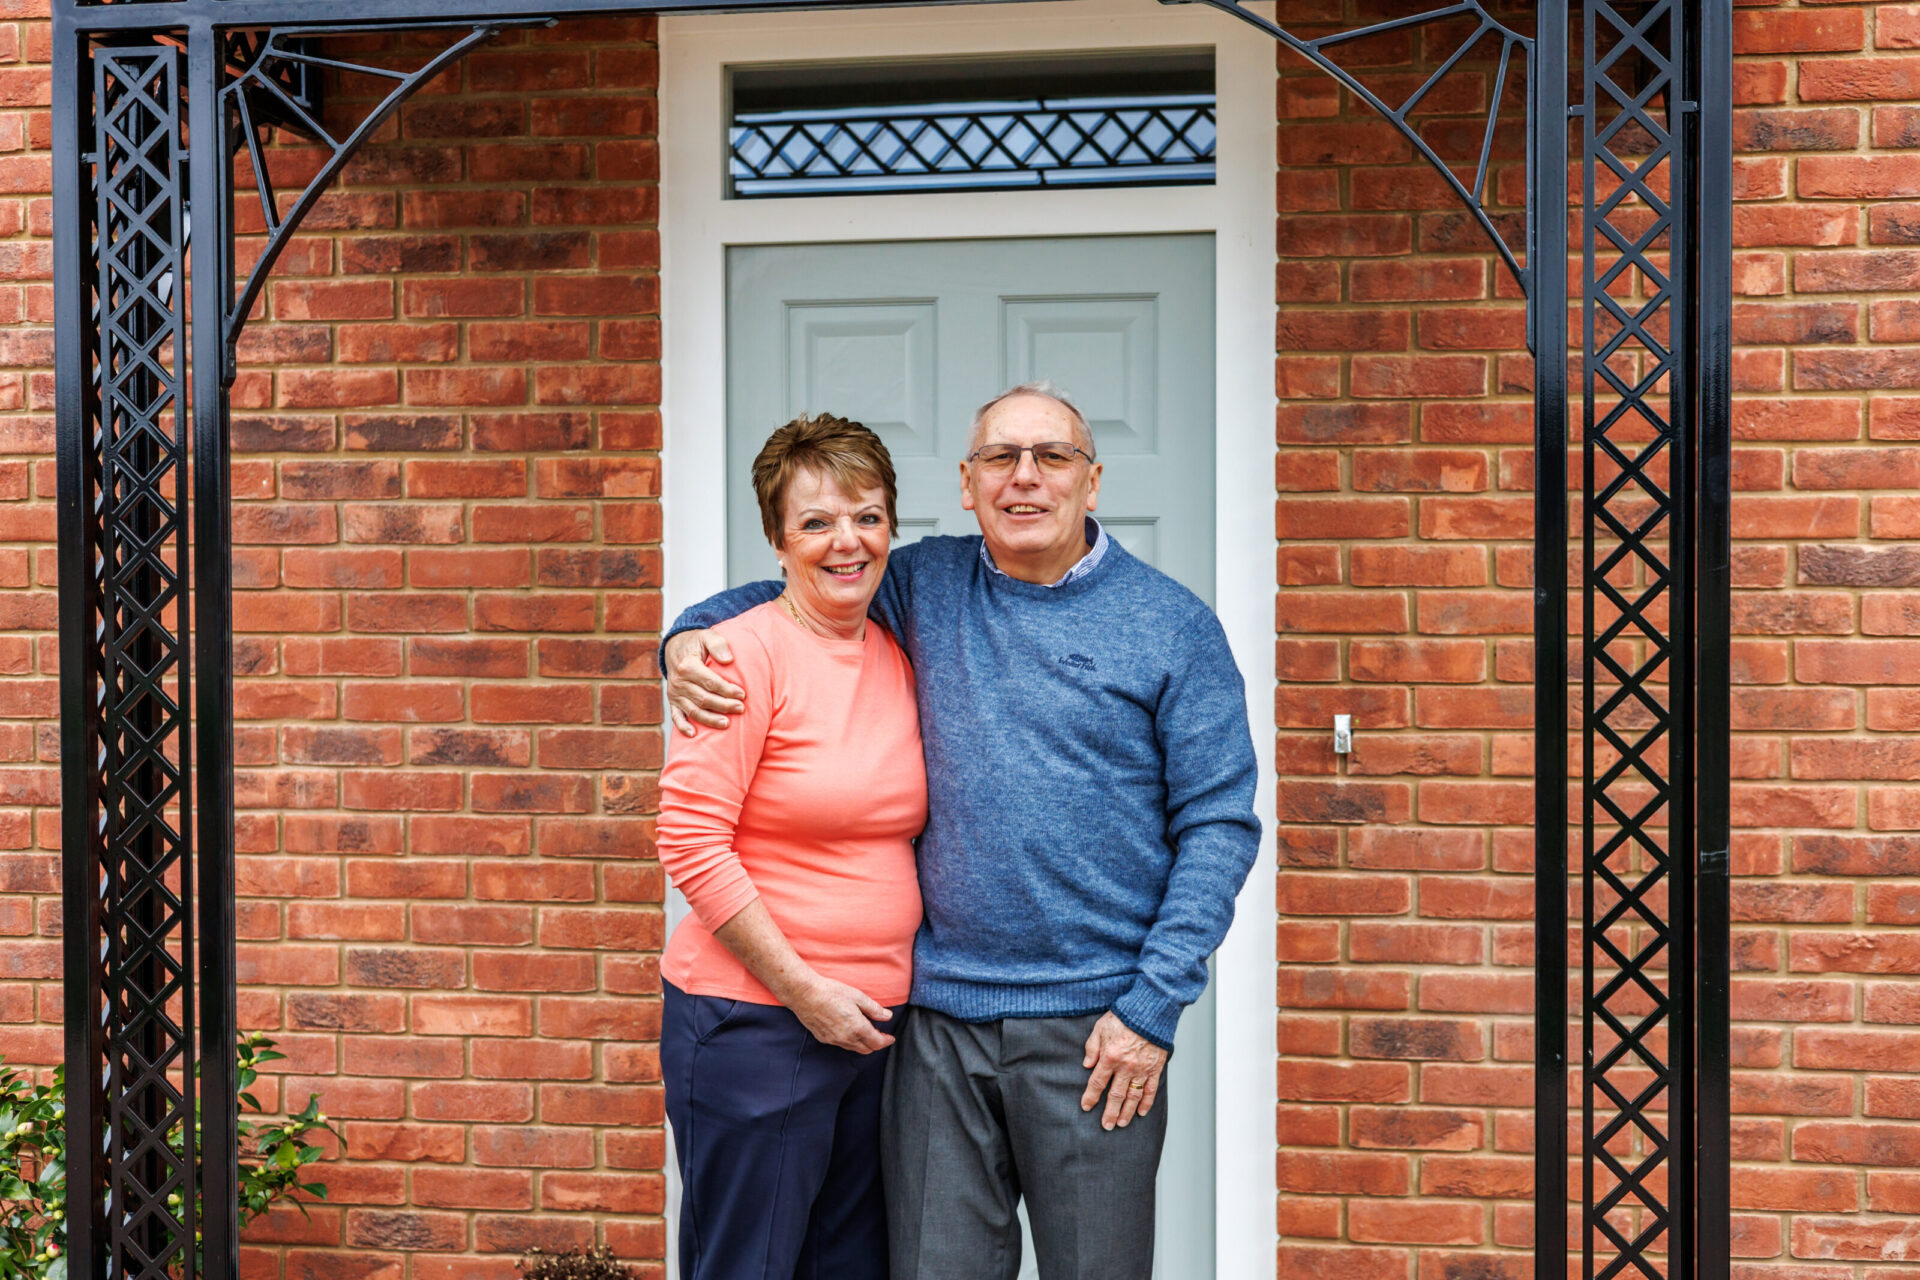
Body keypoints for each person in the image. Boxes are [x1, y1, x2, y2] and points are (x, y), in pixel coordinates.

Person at [664, 381, 1261, 1280]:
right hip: (938, 1026)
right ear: (968, 483)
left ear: (1091, 482)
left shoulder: (1173, 627)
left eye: (1051, 457)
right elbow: (802, 586)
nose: (1025, 480)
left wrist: (1153, 1006)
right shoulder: (923, 584)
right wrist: (681, 638)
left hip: (1098, 1028)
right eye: (1000, 459)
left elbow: (1219, 824)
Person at [656, 413, 926, 1280]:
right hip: (758, 1027)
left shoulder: (893, 651)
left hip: (872, 1035)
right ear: (777, 539)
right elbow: (690, 841)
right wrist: (805, 992)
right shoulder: (736, 658)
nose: (847, 541)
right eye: (816, 522)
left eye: (868, 516)